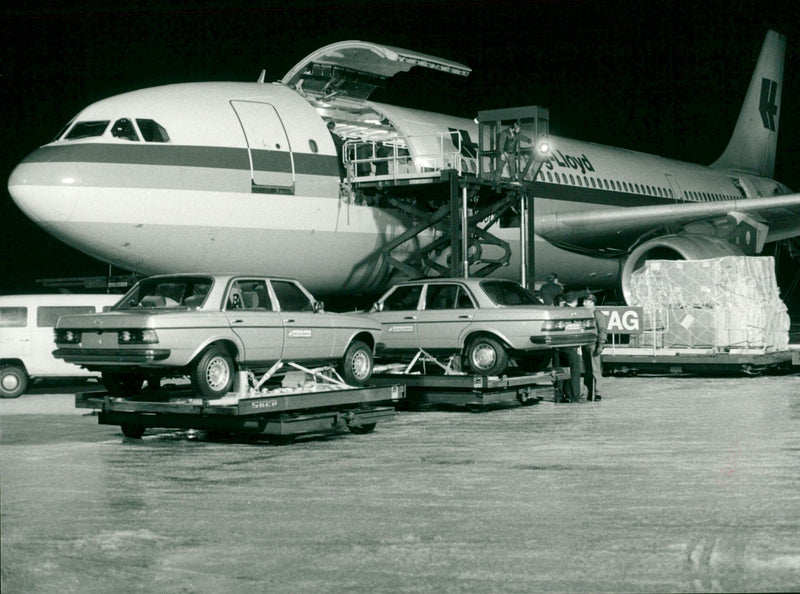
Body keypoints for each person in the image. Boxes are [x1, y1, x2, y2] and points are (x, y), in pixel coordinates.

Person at [554, 291, 584, 402]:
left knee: (560, 371)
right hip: (570, 345)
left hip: (558, 346)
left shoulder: (559, 311)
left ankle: (559, 395)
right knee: (575, 370)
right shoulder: (573, 313)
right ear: (575, 301)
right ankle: (574, 395)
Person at [581, 293, 607, 401]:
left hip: (594, 345)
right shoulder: (585, 314)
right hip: (586, 345)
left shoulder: (598, 314)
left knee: (595, 370)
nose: (583, 303)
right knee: (587, 369)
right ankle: (588, 391)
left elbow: (602, 330)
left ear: (592, 303)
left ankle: (597, 392)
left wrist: (600, 345)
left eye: (586, 301)